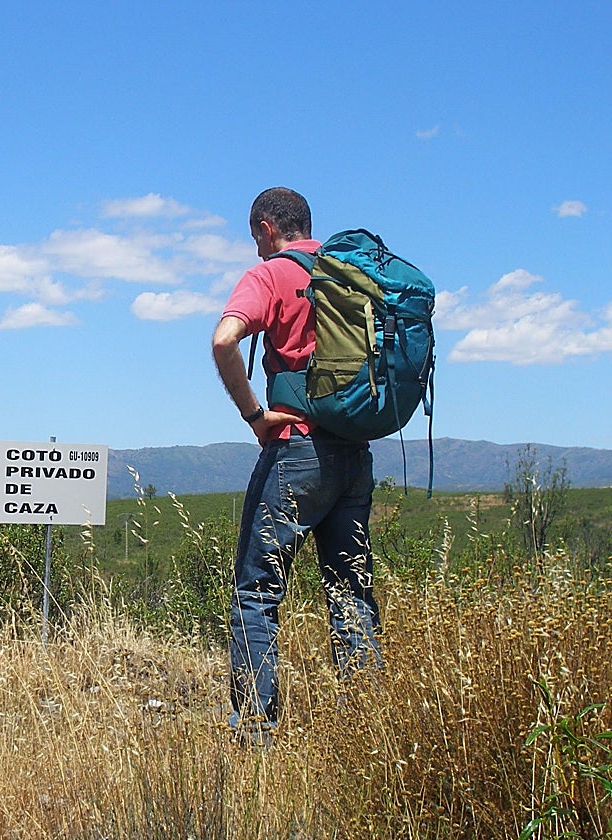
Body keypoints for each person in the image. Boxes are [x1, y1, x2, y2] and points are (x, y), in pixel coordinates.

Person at [211, 187, 382, 746]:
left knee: (257, 591)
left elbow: (224, 340)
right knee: (350, 589)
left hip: (297, 450)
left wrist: (254, 415)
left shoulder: (272, 275)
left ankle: (255, 732)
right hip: (354, 454)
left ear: (265, 228)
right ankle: (368, 729)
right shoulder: (347, 273)